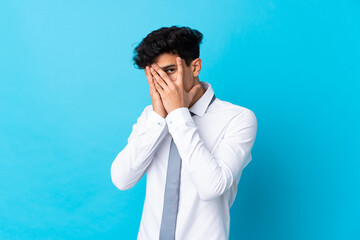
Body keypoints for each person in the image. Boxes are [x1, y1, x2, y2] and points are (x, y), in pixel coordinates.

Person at [110, 25, 258, 240]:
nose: (164, 83)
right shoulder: (150, 117)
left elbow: (211, 187)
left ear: (195, 67)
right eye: (155, 75)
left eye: (170, 70)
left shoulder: (238, 119)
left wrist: (179, 115)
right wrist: (160, 119)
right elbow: (122, 179)